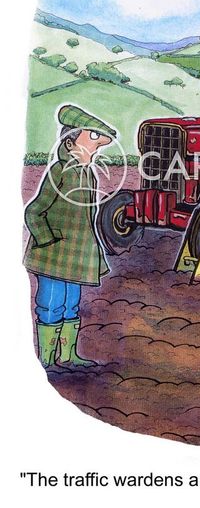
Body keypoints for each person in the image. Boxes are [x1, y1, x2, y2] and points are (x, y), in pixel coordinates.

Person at [24, 104, 116, 368]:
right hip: (53, 255)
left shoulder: (89, 173)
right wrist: (47, 240)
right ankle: (46, 359)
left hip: (76, 256)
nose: (96, 147)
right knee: (50, 305)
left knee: (71, 305)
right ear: (70, 141)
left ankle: (68, 356)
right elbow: (34, 211)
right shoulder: (59, 171)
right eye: (91, 139)